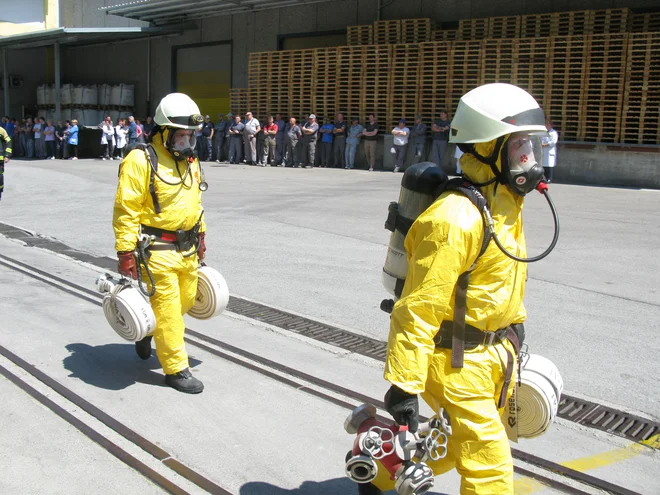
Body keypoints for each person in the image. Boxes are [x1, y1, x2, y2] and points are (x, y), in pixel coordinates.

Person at [368, 83, 549, 495]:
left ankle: (379, 479)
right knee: (489, 467)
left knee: (452, 443)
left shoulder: (503, 205)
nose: (529, 157)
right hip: (452, 362)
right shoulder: (455, 218)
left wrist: (513, 331)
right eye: (518, 144)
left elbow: (500, 282)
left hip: (489, 357)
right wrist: (403, 386)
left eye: (530, 145)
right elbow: (417, 308)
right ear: (487, 148)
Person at [113, 92, 207, 394]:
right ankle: (176, 368)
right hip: (156, 250)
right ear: (164, 131)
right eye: (181, 133)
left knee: (187, 301)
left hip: (188, 248)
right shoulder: (140, 160)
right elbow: (126, 208)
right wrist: (125, 251)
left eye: (191, 134)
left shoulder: (189, 159)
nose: (187, 139)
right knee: (168, 310)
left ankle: (148, 329)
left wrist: (201, 234)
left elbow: (196, 200)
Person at [542, 119, 558, 183]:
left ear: (551, 126)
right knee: (543, 165)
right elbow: (540, 139)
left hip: (549, 151)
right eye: (546, 124)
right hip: (543, 150)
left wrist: (545, 145)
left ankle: (549, 179)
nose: (547, 126)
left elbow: (553, 141)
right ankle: (543, 178)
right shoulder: (543, 132)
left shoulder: (554, 133)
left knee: (549, 165)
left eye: (548, 124)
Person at [0, 124, 12, 201]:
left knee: (0, 177)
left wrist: (7, 155)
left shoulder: (1, 130)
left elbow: (8, 141)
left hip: (0, 159)